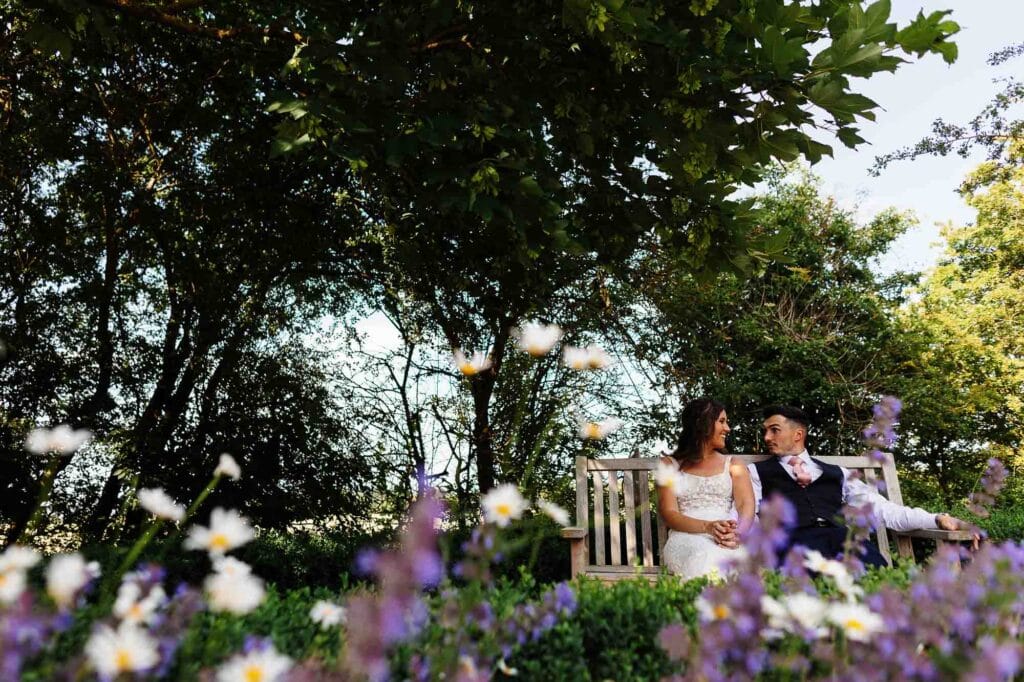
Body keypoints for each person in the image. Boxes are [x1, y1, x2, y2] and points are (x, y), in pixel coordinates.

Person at [750, 404, 978, 567]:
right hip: (794, 547)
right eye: (765, 431)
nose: (767, 437)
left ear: (798, 434)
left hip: (842, 542)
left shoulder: (838, 473)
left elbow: (883, 510)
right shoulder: (755, 473)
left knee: (873, 570)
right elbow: (747, 518)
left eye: (774, 430)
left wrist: (937, 518)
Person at [659, 398, 756, 579]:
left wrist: (737, 534)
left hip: (725, 539)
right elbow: (669, 514)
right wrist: (706, 527)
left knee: (731, 558)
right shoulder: (670, 465)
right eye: (721, 421)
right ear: (702, 423)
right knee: (708, 557)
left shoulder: (734, 465)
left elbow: (746, 504)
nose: (728, 428)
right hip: (685, 538)